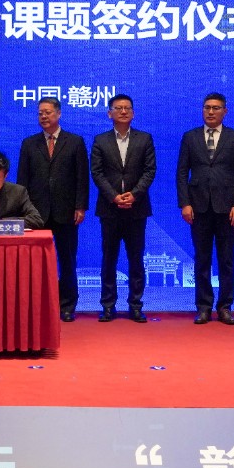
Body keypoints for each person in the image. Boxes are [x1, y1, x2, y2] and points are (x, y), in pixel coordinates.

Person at [176, 92, 234, 325]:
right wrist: (185, 203)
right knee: (202, 259)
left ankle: (225, 307)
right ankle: (204, 307)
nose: (210, 112)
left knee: (226, 259)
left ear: (225, 111)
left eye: (216, 108)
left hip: (227, 208)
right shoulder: (190, 137)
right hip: (198, 208)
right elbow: (181, 173)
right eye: (207, 107)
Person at [18, 96, 90, 321]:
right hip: (36, 213)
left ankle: (67, 305)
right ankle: (38, 306)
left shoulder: (75, 142)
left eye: (47, 112)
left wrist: (80, 206)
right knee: (35, 262)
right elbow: (22, 181)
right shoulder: (29, 144)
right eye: (40, 113)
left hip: (66, 211)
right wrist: (22, 209)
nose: (43, 116)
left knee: (67, 260)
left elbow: (82, 178)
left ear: (59, 114)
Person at [90, 93, 154, 323]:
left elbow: (149, 171)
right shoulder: (100, 140)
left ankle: (135, 305)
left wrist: (134, 195)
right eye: (118, 108)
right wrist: (114, 197)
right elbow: (97, 173)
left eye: (127, 108)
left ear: (133, 113)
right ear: (110, 113)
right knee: (109, 259)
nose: (123, 111)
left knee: (136, 259)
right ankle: (108, 306)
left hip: (137, 209)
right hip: (110, 209)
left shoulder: (144, 139)